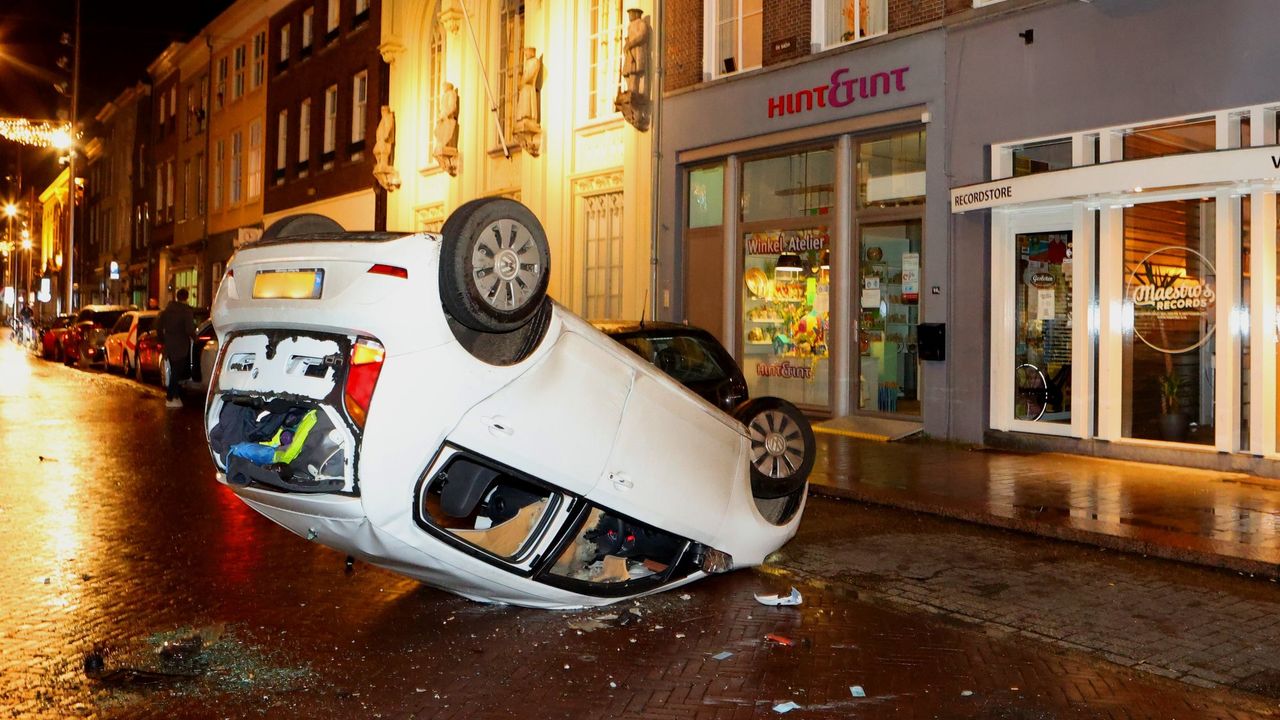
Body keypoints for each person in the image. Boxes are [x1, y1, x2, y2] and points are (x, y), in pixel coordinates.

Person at [158, 288, 196, 408]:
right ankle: (170, 397)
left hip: (169, 345)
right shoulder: (186, 311)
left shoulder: (167, 310)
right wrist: (195, 338)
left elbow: (159, 327)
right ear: (186, 297)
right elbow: (189, 329)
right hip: (181, 345)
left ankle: (175, 396)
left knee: (175, 370)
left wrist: (164, 340)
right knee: (176, 373)